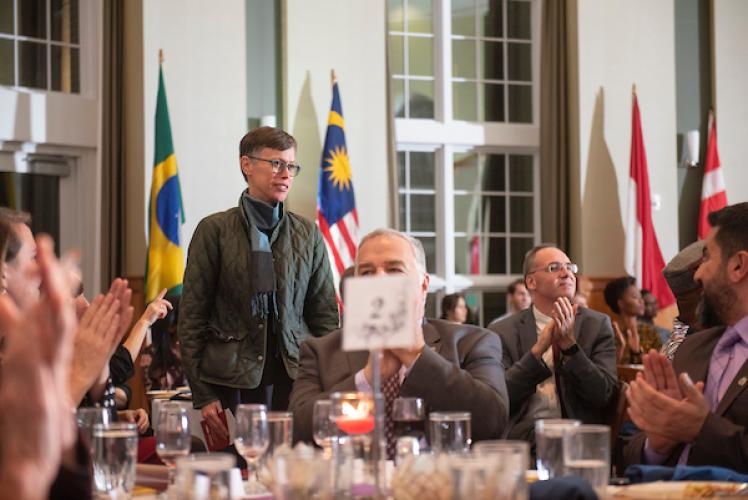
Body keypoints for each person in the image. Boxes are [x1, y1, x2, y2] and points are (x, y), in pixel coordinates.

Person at [180, 127, 339, 442]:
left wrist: (329, 384)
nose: (286, 174)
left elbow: (325, 319)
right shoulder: (214, 230)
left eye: (291, 166)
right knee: (244, 464)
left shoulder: (307, 234)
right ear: (247, 165)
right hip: (232, 381)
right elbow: (192, 320)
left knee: (295, 462)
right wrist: (203, 394)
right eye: (276, 163)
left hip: (297, 378)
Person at [289, 229, 509, 448]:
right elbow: (297, 432)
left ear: (423, 285)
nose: (379, 280)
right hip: (354, 469)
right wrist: (367, 379)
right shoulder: (321, 351)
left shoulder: (472, 342)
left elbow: (492, 423)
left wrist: (417, 356)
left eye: (394, 270)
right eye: (366, 273)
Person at [623, 202, 748, 470]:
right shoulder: (692, 347)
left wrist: (702, 429)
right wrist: (657, 444)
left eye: (707, 258)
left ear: (738, 266)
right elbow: (631, 454)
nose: (699, 274)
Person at [488, 244, 617, 442]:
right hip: (524, 437)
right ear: (531, 282)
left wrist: (570, 348)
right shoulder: (503, 331)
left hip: (577, 438)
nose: (567, 273)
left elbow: (603, 395)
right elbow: (499, 399)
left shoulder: (596, 325)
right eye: (554, 268)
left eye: (570, 267)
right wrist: (536, 352)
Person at [603, 276, 661, 364]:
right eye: (635, 297)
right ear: (621, 303)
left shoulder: (649, 331)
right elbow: (605, 368)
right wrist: (621, 348)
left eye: (640, 297)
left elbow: (658, 363)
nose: (641, 301)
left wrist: (637, 352)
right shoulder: (609, 332)